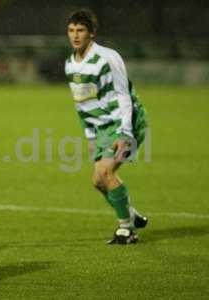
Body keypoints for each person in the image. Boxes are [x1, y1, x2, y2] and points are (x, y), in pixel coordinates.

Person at [65, 9, 149, 244]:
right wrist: (91, 137)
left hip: (125, 120)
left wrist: (125, 131)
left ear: (92, 33)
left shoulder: (107, 57)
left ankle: (126, 229)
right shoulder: (71, 65)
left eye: (80, 30)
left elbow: (122, 95)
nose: (75, 35)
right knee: (98, 181)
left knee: (105, 172)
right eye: (71, 30)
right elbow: (82, 105)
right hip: (101, 127)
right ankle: (130, 214)